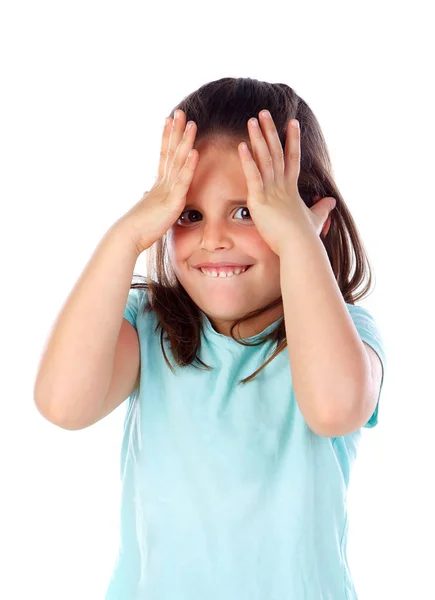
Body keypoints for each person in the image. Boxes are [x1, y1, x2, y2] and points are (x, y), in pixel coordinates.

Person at [34, 77, 387, 599]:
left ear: (313, 218)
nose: (213, 239)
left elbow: (335, 409)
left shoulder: (346, 331)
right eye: (189, 215)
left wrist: (294, 241)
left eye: (247, 211)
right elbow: (62, 404)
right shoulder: (148, 327)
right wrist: (127, 235)